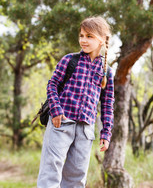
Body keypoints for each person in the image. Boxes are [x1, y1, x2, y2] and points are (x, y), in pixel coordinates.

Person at [37, 16, 114, 188]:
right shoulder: (70, 60)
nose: (83, 40)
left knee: (77, 177)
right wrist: (56, 111)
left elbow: (107, 105)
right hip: (61, 123)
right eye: (81, 35)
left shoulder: (106, 71)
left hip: (85, 130)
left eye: (89, 36)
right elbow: (52, 84)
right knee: (51, 172)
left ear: (101, 40)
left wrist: (106, 133)